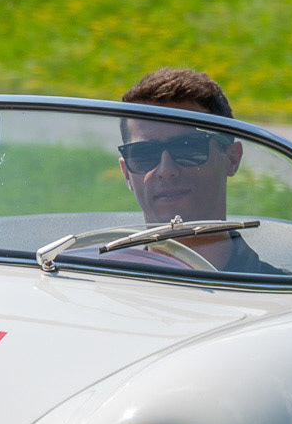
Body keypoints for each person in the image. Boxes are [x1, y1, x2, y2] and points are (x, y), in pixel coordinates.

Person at [116, 67, 278, 273]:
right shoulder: (98, 292)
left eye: (188, 147)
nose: (166, 170)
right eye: (144, 153)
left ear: (232, 159)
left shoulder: (287, 296)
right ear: (126, 172)